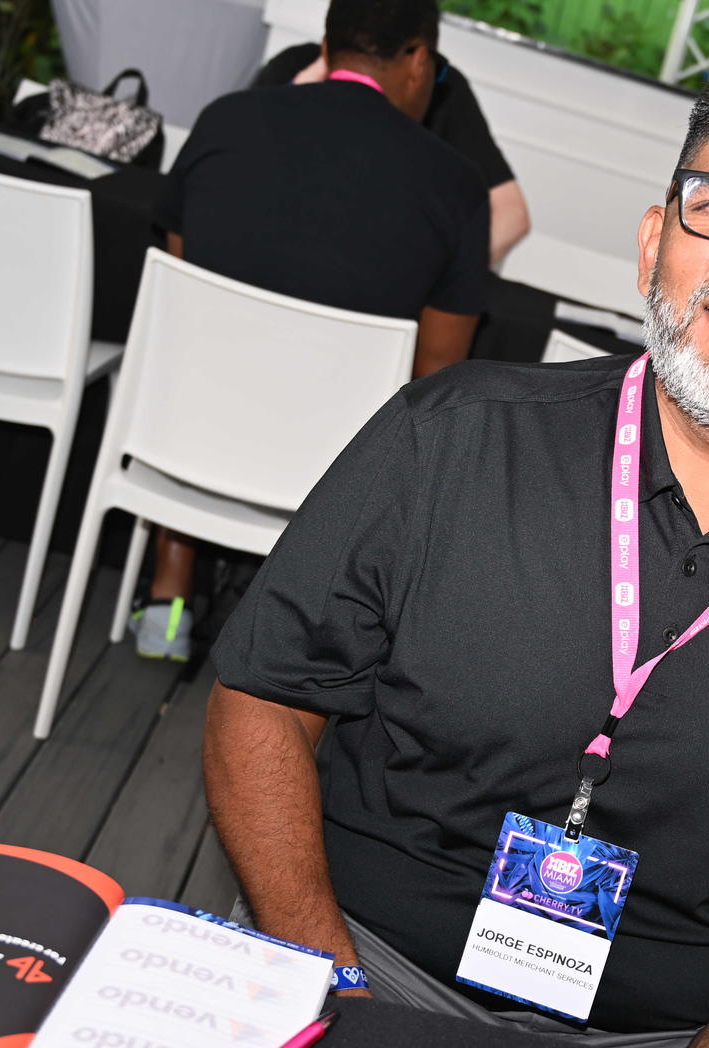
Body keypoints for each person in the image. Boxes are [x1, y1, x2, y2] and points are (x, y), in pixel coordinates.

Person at [202, 60, 709, 1048]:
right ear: (655, 247)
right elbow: (261, 699)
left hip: (680, 1040)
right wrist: (333, 991)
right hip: (369, 961)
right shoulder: (452, 437)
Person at [139, 0, 491, 660]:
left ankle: (168, 601)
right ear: (418, 59)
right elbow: (439, 380)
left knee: (194, 354)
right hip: (331, 482)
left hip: (189, 435)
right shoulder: (455, 186)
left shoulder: (225, 120)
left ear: (328, 45)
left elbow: (181, 296)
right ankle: (304, 630)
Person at [254, 41, 532, 267]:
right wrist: (299, 91)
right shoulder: (294, 67)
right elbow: (245, 173)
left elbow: (511, 214)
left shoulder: (444, 89)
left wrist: (448, 289)